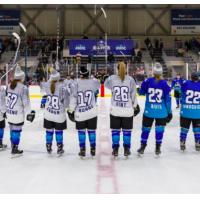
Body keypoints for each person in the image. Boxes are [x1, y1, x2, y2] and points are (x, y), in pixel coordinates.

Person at [105, 62, 140, 158]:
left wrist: (109, 77)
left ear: (117, 69)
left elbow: (106, 85)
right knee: (127, 131)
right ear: (126, 69)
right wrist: (135, 106)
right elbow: (133, 95)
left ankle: (115, 148)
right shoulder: (130, 79)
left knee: (115, 131)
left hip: (115, 110)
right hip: (127, 110)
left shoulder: (112, 78)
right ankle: (126, 149)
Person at [137, 63, 172, 156]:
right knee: (159, 130)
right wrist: (170, 112)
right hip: (162, 113)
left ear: (153, 71)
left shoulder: (147, 80)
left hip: (149, 112)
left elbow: (141, 93)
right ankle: (157, 147)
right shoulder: (164, 83)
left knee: (145, 130)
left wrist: (139, 90)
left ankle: (142, 147)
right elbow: (168, 100)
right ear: (161, 72)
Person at [69, 66, 100, 159]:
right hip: (92, 112)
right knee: (92, 131)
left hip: (80, 113)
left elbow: (73, 99)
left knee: (81, 132)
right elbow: (98, 85)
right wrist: (94, 77)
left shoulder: (75, 84)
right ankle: (93, 149)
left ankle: (82, 150)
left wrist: (71, 111)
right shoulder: (93, 82)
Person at [7, 65, 35, 158]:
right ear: (21, 78)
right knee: (17, 130)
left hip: (9, 112)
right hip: (17, 113)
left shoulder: (9, 85)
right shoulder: (23, 88)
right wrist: (29, 113)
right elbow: (25, 102)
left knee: (12, 128)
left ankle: (12, 144)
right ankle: (14, 148)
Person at [43, 69, 70, 156]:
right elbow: (66, 103)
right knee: (59, 131)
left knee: (49, 131)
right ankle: (59, 147)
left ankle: (48, 146)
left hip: (48, 113)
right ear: (58, 78)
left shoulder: (47, 85)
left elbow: (45, 86)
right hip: (59, 114)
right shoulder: (62, 88)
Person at [179, 72, 200, 152]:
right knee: (197, 129)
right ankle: (198, 142)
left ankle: (182, 141)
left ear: (191, 77)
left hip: (185, 111)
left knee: (184, 128)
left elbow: (181, 92)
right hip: (197, 112)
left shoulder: (186, 83)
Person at [0, 78, 7, 150]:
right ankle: (0, 143)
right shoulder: (1, 89)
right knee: (1, 128)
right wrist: (4, 111)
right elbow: (2, 102)